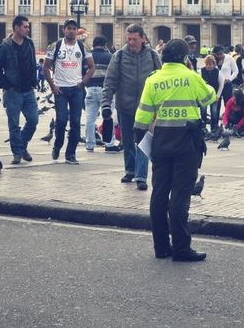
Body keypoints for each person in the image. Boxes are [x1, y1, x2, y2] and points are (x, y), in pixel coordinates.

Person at [133, 38, 216, 262]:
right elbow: (210, 97)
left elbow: (142, 115)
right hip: (187, 142)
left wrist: (140, 139)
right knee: (180, 194)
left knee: (159, 194)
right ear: (185, 58)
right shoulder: (190, 76)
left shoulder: (153, 79)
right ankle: (181, 248)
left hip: (161, 141)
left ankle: (161, 247)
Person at [101, 23, 162, 191]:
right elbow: (110, 81)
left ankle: (141, 176)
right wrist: (106, 104)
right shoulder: (119, 56)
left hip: (146, 108)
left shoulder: (152, 56)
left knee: (142, 142)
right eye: (128, 39)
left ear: (143, 39)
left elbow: (161, 80)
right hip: (124, 106)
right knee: (127, 140)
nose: (131, 42)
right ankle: (130, 170)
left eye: (134, 39)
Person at [0, 15, 39, 165]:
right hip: (13, 92)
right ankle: (18, 152)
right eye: (25, 26)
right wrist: (7, 86)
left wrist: (34, 80)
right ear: (16, 28)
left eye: (28, 26)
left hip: (28, 90)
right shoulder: (4, 47)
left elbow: (33, 63)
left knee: (33, 120)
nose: (27, 29)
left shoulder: (30, 43)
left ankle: (22, 145)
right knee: (14, 124)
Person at [44, 20, 94, 163]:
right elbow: (46, 67)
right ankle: (57, 145)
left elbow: (92, 67)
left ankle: (70, 154)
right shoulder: (56, 46)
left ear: (76, 31)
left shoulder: (83, 47)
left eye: (74, 28)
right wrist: (53, 86)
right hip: (61, 89)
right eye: (69, 28)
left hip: (76, 89)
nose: (71, 31)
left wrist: (83, 82)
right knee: (61, 120)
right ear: (64, 30)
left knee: (76, 122)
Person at [85, 35, 112, 153]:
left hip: (90, 89)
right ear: (104, 44)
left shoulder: (87, 56)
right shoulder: (109, 56)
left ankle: (89, 144)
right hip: (104, 90)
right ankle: (109, 143)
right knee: (107, 116)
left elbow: (82, 73)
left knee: (90, 118)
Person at [211, 46, 239, 133]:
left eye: (221, 54)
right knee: (216, 105)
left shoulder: (229, 58)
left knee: (228, 105)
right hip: (217, 85)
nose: (220, 56)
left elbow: (236, 71)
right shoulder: (213, 59)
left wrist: (230, 79)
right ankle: (214, 126)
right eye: (218, 54)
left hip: (227, 85)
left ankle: (229, 124)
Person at [199, 55, 219, 128]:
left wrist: (218, 96)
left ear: (214, 64)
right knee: (203, 111)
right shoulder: (201, 71)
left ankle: (213, 127)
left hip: (214, 95)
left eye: (210, 64)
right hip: (204, 96)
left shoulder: (218, 72)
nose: (208, 66)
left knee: (214, 112)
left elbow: (221, 85)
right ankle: (203, 127)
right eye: (207, 64)